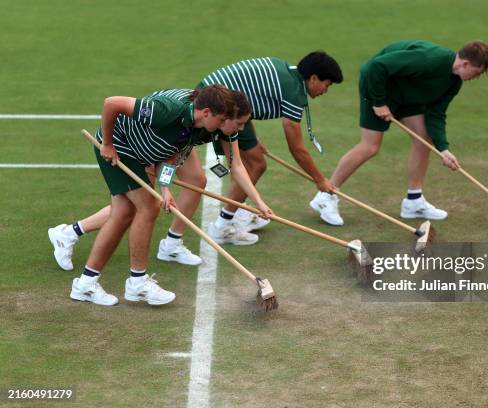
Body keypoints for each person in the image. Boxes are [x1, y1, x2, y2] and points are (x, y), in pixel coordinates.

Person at [48, 51, 343, 269]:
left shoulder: (218, 128)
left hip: (173, 140)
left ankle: (171, 244)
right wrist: (115, 148)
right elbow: (118, 108)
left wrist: (259, 203)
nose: (241, 131)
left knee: (194, 181)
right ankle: (70, 233)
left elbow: (209, 163)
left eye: (244, 127)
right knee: (137, 203)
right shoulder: (186, 120)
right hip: (134, 143)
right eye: (239, 126)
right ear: (223, 118)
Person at [67, 86, 272, 306]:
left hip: (141, 154)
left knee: (123, 213)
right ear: (206, 113)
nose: (225, 126)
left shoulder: (199, 127)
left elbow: (172, 156)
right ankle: (136, 283)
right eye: (223, 120)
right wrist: (107, 143)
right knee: (147, 208)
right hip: (120, 146)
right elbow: (112, 103)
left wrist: (165, 187)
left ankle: (86, 284)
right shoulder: (167, 111)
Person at [310, 40, 488, 225]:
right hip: (377, 88)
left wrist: (444, 149)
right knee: (370, 146)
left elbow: (436, 114)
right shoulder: (427, 59)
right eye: (477, 73)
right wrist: (379, 102)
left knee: (424, 138)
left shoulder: (454, 82)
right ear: (465, 64)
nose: (476, 78)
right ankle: (326, 197)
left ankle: (413, 203)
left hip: (407, 97)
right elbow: (373, 68)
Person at [197, 52, 343, 244]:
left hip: (217, 97)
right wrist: (320, 180)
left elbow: (249, 96)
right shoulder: (294, 92)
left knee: (249, 160)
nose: (326, 90)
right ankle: (222, 227)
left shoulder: (289, 73)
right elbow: (296, 148)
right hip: (219, 106)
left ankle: (238, 214)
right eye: (327, 84)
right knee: (256, 165)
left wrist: (254, 137)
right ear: (314, 78)